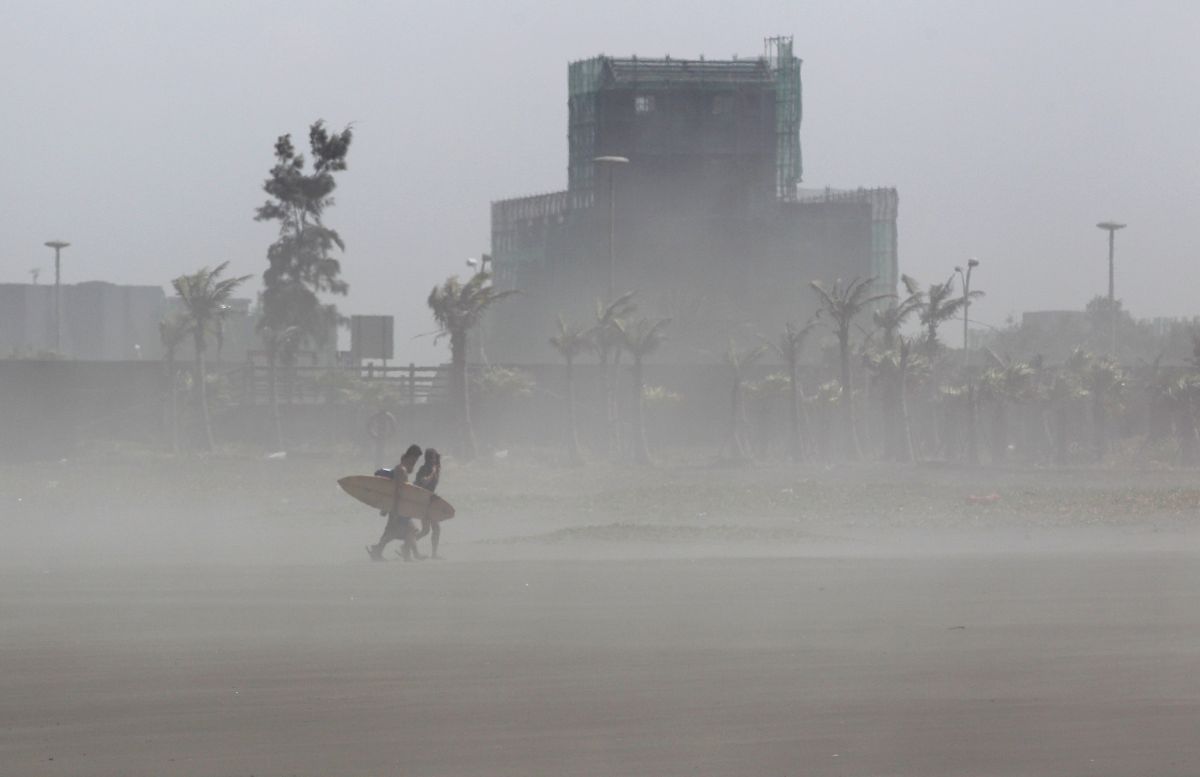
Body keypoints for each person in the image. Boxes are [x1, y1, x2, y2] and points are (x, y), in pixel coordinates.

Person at [366, 444, 421, 561]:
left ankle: (378, 550)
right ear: (410, 456)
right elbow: (397, 490)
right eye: (415, 459)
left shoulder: (402, 469)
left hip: (399, 505)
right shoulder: (401, 470)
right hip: (398, 506)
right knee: (407, 530)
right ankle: (406, 555)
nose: (415, 462)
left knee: (396, 530)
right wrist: (394, 508)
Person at [408, 448, 443, 559]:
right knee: (434, 529)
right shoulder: (424, 469)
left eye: (435, 458)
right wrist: (432, 472)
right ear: (428, 458)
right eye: (433, 458)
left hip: (429, 502)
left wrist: (436, 466)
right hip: (424, 503)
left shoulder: (435, 469)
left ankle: (406, 546)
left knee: (426, 530)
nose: (434, 460)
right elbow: (423, 482)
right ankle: (433, 554)